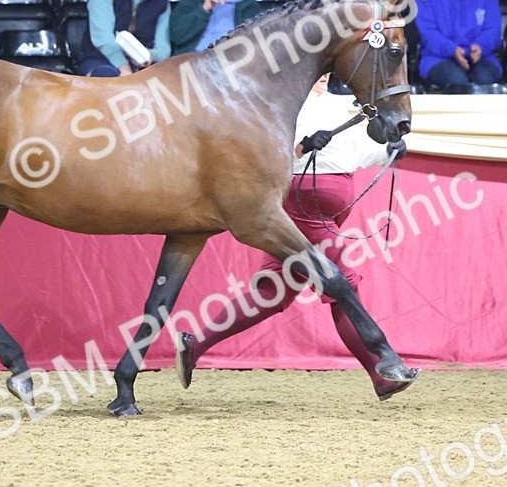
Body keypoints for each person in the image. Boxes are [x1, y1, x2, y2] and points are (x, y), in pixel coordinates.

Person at [176, 74, 416, 402]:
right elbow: (268, 158)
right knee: (342, 286)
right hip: (304, 205)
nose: (325, 75)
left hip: (318, 205)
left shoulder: (339, 106)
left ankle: (196, 344)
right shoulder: (286, 105)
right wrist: (301, 148)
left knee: (271, 292)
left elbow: (354, 152)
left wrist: (389, 150)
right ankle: (381, 371)